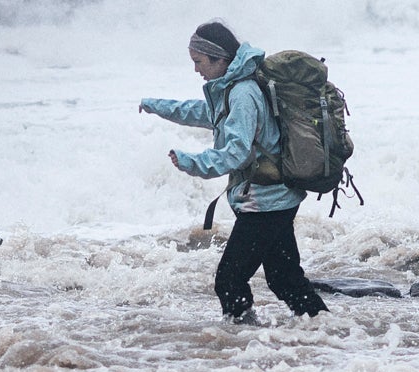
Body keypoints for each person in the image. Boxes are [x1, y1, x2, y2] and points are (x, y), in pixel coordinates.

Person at [140, 21, 328, 323]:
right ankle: (329, 332)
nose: (196, 70)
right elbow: (202, 112)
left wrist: (192, 162)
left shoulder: (242, 94)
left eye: (199, 62)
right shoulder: (233, 89)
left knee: (229, 280)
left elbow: (235, 152)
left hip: (265, 202)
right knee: (284, 278)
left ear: (220, 59)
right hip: (275, 198)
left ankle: (241, 341)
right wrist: (156, 106)